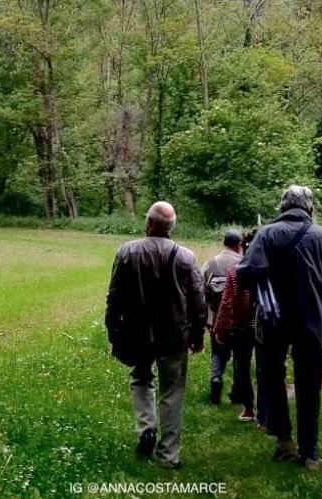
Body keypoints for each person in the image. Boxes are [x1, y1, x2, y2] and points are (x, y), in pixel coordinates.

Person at [236, 185, 322, 470]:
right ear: (311, 209)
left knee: (272, 376)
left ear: (283, 208)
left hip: (275, 319)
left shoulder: (268, 234)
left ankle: (284, 440)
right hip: (315, 321)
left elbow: (246, 273)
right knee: (309, 385)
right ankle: (309, 453)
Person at [105, 201, 206, 470]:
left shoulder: (127, 251)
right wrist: (198, 336)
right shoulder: (186, 257)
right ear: (171, 228)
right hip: (174, 336)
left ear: (148, 223)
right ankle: (168, 455)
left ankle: (146, 428)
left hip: (136, 334)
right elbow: (198, 300)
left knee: (140, 378)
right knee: (172, 392)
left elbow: (114, 297)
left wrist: (113, 331)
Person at [200, 229, 243, 406]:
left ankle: (216, 378)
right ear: (239, 245)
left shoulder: (211, 264)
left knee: (218, 352)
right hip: (238, 319)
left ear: (224, 242)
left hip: (215, 318)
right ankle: (236, 392)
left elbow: (200, 289)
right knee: (239, 356)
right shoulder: (243, 263)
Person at [212, 262, 257, 423]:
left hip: (242, 327)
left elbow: (226, 303)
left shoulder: (237, 272)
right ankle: (268, 411)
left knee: (242, 367)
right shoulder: (275, 268)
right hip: (270, 325)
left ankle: (249, 408)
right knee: (269, 368)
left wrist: (219, 329)